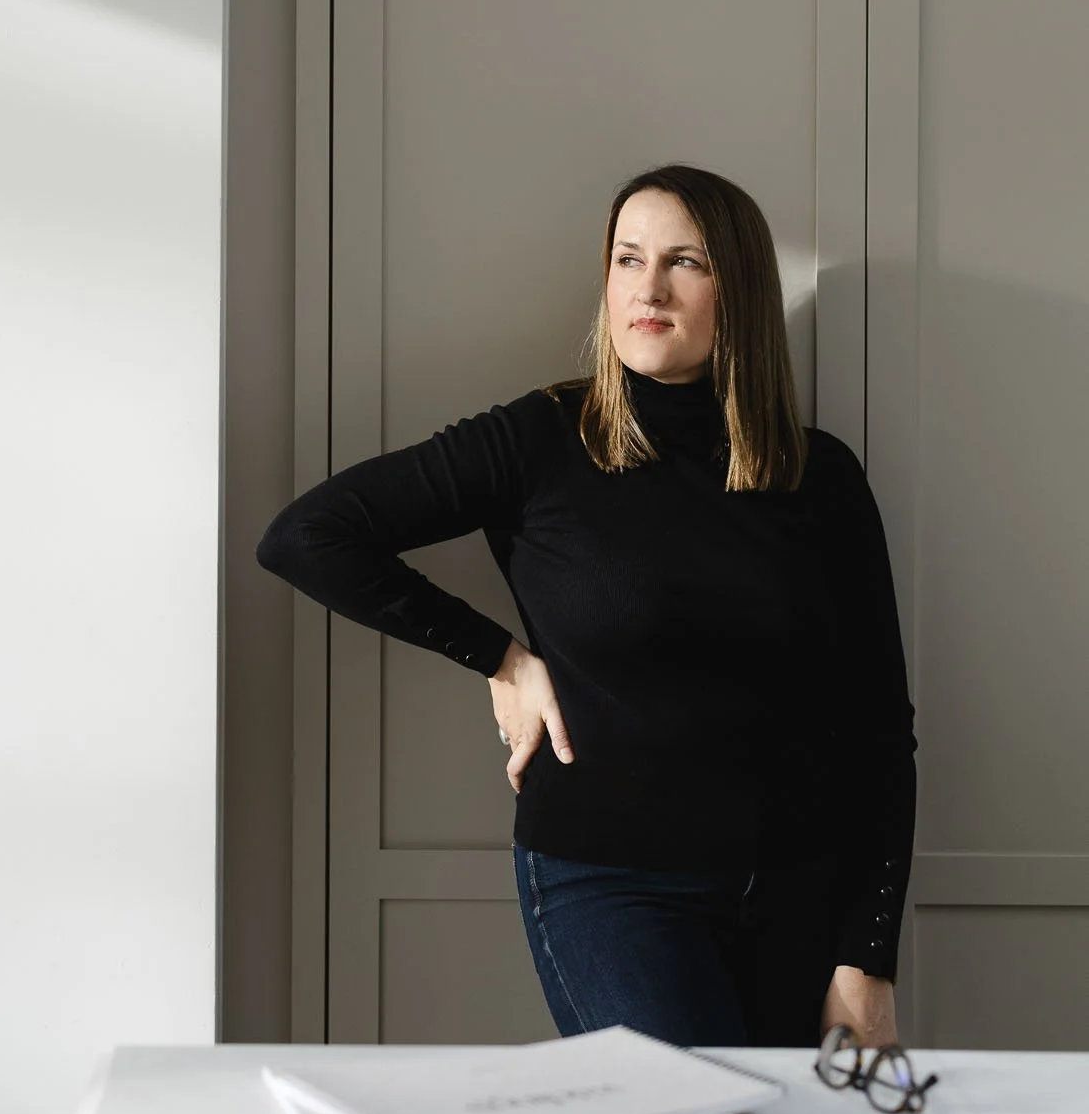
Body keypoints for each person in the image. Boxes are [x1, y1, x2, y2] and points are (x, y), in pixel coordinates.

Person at [255, 162, 917, 1051]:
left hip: (798, 890)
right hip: (611, 882)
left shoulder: (819, 474)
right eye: (628, 258)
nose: (649, 287)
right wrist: (499, 655)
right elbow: (307, 535)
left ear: (739, 289)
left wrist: (867, 959)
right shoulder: (539, 440)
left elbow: (878, 730)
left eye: (686, 261)